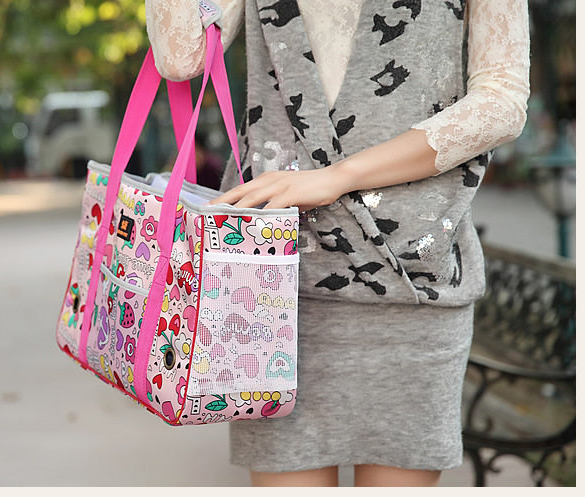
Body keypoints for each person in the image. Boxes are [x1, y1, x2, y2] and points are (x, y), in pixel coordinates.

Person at [146, 0, 530, 487]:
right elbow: (181, 56)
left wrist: (337, 178)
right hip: (272, 291)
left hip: (411, 285)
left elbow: (502, 101)